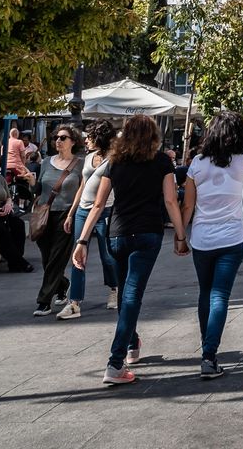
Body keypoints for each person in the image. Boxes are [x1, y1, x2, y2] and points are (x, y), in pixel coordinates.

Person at [73, 114, 189, 385]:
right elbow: (171, 201)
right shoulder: (162, 161)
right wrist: (181, 235)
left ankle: (131, 343)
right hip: (147, 233)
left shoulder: (115, 162)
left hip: (117, 234)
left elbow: (99, 205)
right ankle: (115, 364)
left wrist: (82, 240)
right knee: (131, 296)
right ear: (153, 135)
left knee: (126, 293)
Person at [182, 110, 243, 378]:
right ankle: (209, 355)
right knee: (220, 295)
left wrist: (180, 235)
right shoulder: (242, 161)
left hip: (202, 239)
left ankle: (207, 348)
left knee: (205, 292)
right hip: (232, 238)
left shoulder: (197, 162)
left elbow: (188, 203)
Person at [58, 120, 119, 319]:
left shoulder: (115, 159)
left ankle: (114, 289)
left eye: (90, 136)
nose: (86, 140)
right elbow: (82, 186)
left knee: (107, 256)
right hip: (83, 211)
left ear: (99, 138)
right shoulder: (89, 157)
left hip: (105, 211)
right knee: (78, 254)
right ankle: (74, 302)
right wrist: (71, 213)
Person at [32, 126, 83, 315]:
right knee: (47, 258)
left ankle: (44, 301)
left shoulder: (80, 164)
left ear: (73, 141)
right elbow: (38, 190)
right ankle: (63, 284)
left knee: (56, 257)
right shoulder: (45, 162)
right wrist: (30, 182)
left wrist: (73, 213)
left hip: (67, 214)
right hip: (44, 214)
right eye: (56, 137)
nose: (58, 141)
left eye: (63, 137)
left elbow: (82, 190)